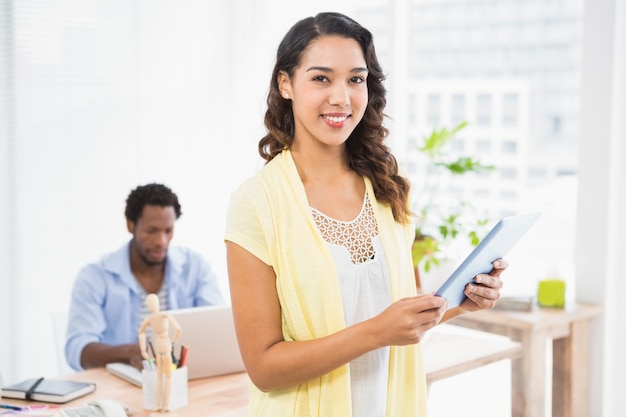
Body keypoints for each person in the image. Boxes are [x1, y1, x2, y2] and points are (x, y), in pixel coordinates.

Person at [224, 12, 506, 417]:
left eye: (356, 79)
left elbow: (403, 318)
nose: (341, 97)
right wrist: (376, 333)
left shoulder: (388, 186)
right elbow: (264, 368)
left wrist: (464, 303)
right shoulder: (256, 203)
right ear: (285, 83)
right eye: (321, 78)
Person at [66, 183, 224, 371]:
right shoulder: (94, 277)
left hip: (181, 376)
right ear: (130, 224)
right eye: (151, 231)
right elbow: (79, 351)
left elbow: (218, 331)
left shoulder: (195, 267)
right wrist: (131, 353)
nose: (161, 242)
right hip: (118, 383)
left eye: (168, 231)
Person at [139, 293, 182, 412]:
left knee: (159, 377)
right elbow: (178, 329)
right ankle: (166, 405)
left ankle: (159, 404)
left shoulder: (149, 319)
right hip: (165, 344)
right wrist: (174, 339)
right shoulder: (163, 315)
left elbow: (141, 333)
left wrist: (143, 349)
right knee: (168, 376)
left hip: (159, 345)